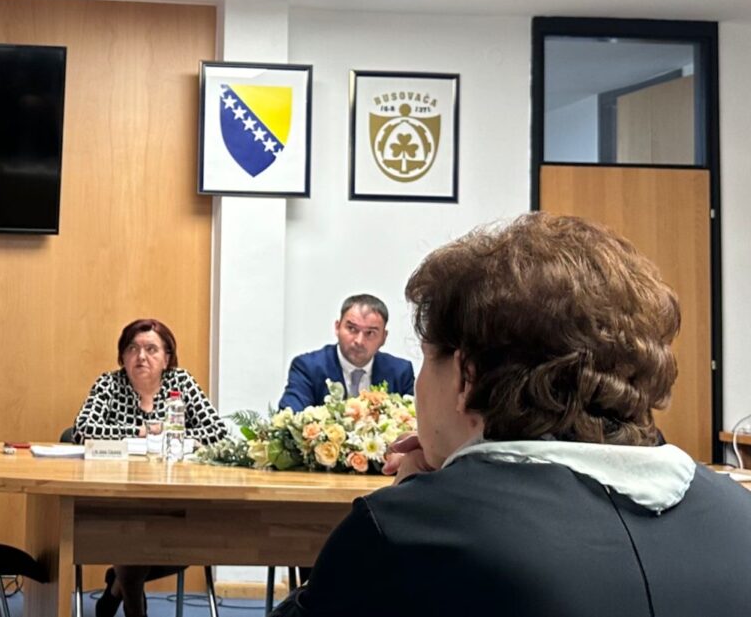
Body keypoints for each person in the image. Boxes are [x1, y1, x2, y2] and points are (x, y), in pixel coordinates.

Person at [275, 213, 751, 617]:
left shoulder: (405, 533)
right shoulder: (738, 517)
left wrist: (410, 506)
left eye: (427, 358)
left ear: (465, 377)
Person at [71, 318, 227, 617]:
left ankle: (118, 585)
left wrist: (174, 435)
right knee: (132, 533)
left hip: (172, 496)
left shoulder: (181, 383)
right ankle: (131, 600)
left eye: (151, 349)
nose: (141, 357)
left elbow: (217, 432)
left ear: (167, 358)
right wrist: (142, 431)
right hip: (116, 496)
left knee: (142, 542)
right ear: (123, 356)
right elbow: (83, 430)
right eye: (132, 349)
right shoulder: (109, 384)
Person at [277, 294, 414, 411]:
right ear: (337, 328)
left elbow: (415, 423)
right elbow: (290, 418)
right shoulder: (308, 367)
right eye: (352, 329)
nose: (359, 341)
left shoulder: (400, 372)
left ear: (384, 337)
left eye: (370, 333)